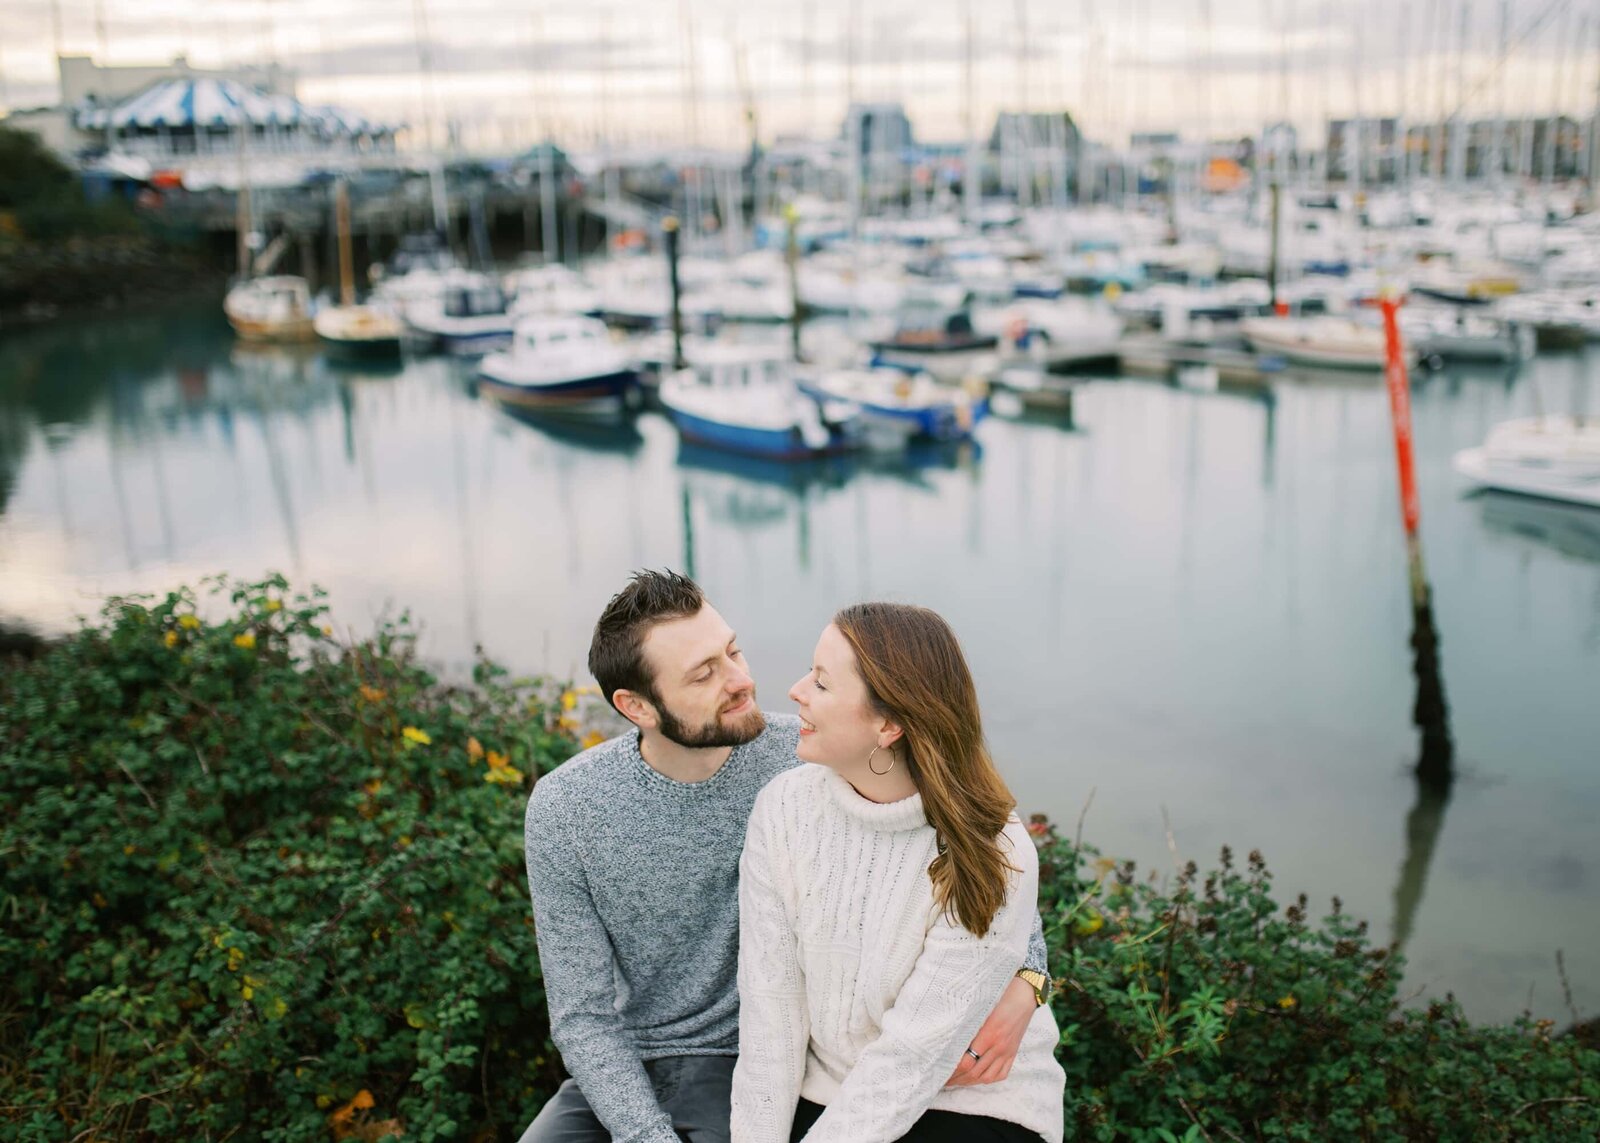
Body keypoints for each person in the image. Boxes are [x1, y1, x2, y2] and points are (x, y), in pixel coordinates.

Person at [522, 572, 1053, 1143]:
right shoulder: (567, 807)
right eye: (704, 673)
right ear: (637, 706)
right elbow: (583, 1016)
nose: (743, 681)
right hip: (628, 1066)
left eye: (732, 651)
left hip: (747, 1060)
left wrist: (1030, 978)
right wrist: (645, 1134)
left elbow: (979, 863)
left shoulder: (808, 757)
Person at [730, 603, 1065, 1143]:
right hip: (829, 1089)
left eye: (820, 681)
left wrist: (1031, 982)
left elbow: (912, 1058)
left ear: (888, 726)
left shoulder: (993, 854)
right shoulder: (783, 809)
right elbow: (771, 1016)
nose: (795, 691)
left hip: (971, 1096)